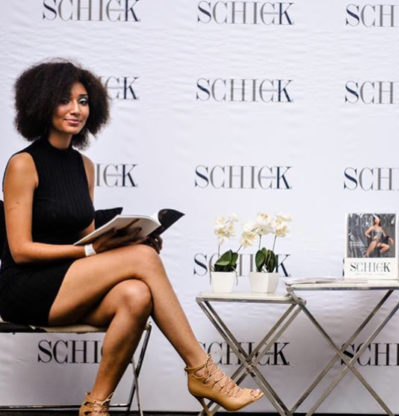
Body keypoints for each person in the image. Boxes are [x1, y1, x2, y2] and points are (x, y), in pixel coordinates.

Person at [0, 60, 262, 416]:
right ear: (42, 103)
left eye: (83, 101)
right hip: (26, 287)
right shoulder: (23, 164)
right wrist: (95, 252)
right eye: (65, 100)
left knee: (136, 295)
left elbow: (85, 235)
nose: (76, 109)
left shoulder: (84, 166)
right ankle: (203, 372)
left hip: (69, 284)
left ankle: (96, 406)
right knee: (143, 260)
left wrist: (132, 239)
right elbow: (20, 250)